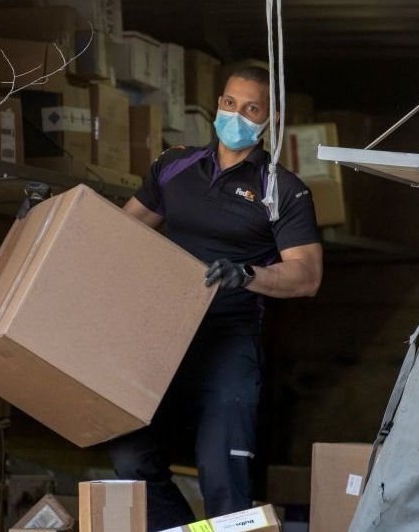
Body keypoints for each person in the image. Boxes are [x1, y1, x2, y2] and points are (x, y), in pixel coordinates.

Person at [110, 66, 323, 532]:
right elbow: (118, 234)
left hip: (229, 339)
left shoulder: (281, 189)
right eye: (230, 103)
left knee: (223, 476)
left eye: (252, 109)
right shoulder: (174, 165)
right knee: (129, 460)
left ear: (271, 118)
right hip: (163, 338)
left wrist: (246, 274)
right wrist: (49, 224)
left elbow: (307, 276)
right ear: (218, 104)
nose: (237, 115)